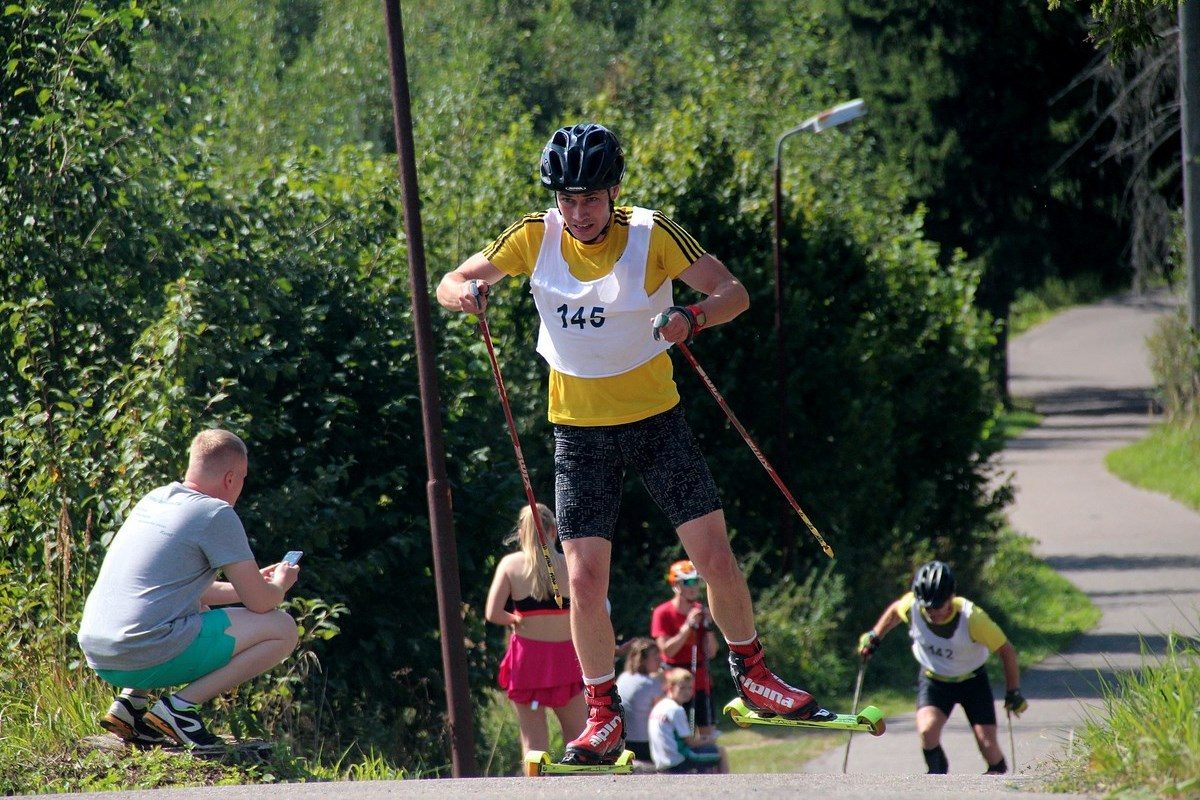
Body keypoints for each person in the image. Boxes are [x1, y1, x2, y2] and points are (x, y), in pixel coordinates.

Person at [437, 122, 820, 766]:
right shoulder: (534, 235)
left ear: (613, 192)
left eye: (590, 198)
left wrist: (693, 316)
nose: (578, 212)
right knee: (584, 580)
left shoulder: (651, 234)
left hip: (656, 423)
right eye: (567, 199)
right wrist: (465, 294)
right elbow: (451, 279)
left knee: (713, 555)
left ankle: (754, 675)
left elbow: (733, 293)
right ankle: (603, 714)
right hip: (578, 433)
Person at [77, 429, 300, 750]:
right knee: (283, 628)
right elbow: (262, 604)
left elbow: (188, 593)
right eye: (243, 479)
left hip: (101, 654)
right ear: (230, 479)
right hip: (141, 652)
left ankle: (130, 706)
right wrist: (280, 583)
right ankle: (179, 709)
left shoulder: (155, 500)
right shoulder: (216, 513)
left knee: (195, 608)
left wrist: (249, 585)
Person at [858, 560, 1029, 775]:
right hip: (935, 680)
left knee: (988, 745)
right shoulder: (913, 606)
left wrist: (1013, 692)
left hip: (972, 681)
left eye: (938, 605)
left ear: (951, 597)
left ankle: (998, 776)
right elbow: (894, 611)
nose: (933, 612)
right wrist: (875, 635)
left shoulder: (972, 618)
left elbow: (1007, 651)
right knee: (927, 731)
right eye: (927, 606)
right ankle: (937, 776)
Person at [485, 503, 586, 756]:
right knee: (579, 739)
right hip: (566, 658)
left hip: (528, 660)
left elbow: (493, 613)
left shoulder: (510, 565)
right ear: (553, 531)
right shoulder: (570, 563)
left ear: (521, 533)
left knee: (533, 744)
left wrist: (515, 619)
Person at [651, 559, 719, 738]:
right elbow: (667, 650)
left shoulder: (701, 610)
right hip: (674, 680)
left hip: (701, 679)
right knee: (677, 734)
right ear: (675, 585)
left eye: (696, 581)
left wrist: (708, 626)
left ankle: (707, 756)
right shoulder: (662, 613)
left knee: (707, 732)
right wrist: (687, 626)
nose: (693, 586)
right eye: (687, 582)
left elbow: (712, 652)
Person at [647, 668, 728, 774]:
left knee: (706, 753)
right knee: (720, 751)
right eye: (682, 688)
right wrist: (710, 740)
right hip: (678, 760)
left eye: (690, 688)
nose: (687, 692)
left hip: (660, 762)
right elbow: (691, 743)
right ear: (671, 687)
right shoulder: (676, 710)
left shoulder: (659, 706)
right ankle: (726, 782)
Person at [614, 637, 663, 763]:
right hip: (643, 746)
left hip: (620, 743)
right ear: (643, 660)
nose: (660, 660)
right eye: (656, 657)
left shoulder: (623, 677)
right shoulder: (651, 683)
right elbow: (663, 713)